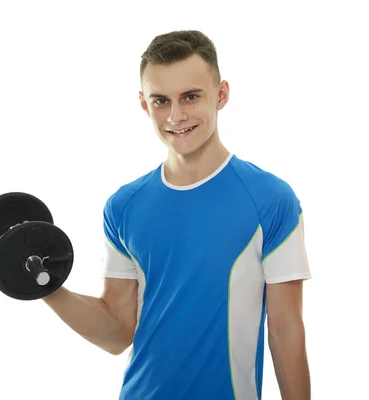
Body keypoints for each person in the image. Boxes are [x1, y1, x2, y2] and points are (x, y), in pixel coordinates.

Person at [42, 30, 312, 400]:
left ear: (221, 94)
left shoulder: (271, 199)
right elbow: (117, 333)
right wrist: (45, 286)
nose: (175, 115)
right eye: (160, 100)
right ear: (143, 104)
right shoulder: (123, 206)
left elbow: (285, 330)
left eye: (190, 97)